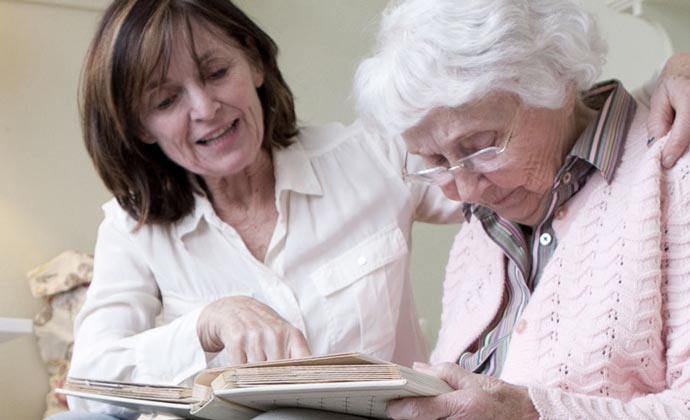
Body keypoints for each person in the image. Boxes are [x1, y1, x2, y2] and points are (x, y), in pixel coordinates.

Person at [49, 0, 690, 419]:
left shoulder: (375, 158)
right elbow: (88, 385)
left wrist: (668, 75)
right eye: (166, 99)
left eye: (216, 72)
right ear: (138, 127)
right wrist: (208, 322)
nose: (205, 108)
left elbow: (567, 153)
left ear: (255, 64)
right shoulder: (132, 232)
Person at [352, 0, 690, 418]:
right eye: (436, 162)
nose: (463, 191)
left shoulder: (673, 172)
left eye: (479, 146)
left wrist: (530, 413)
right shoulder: (483, 224)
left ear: (556, 81)